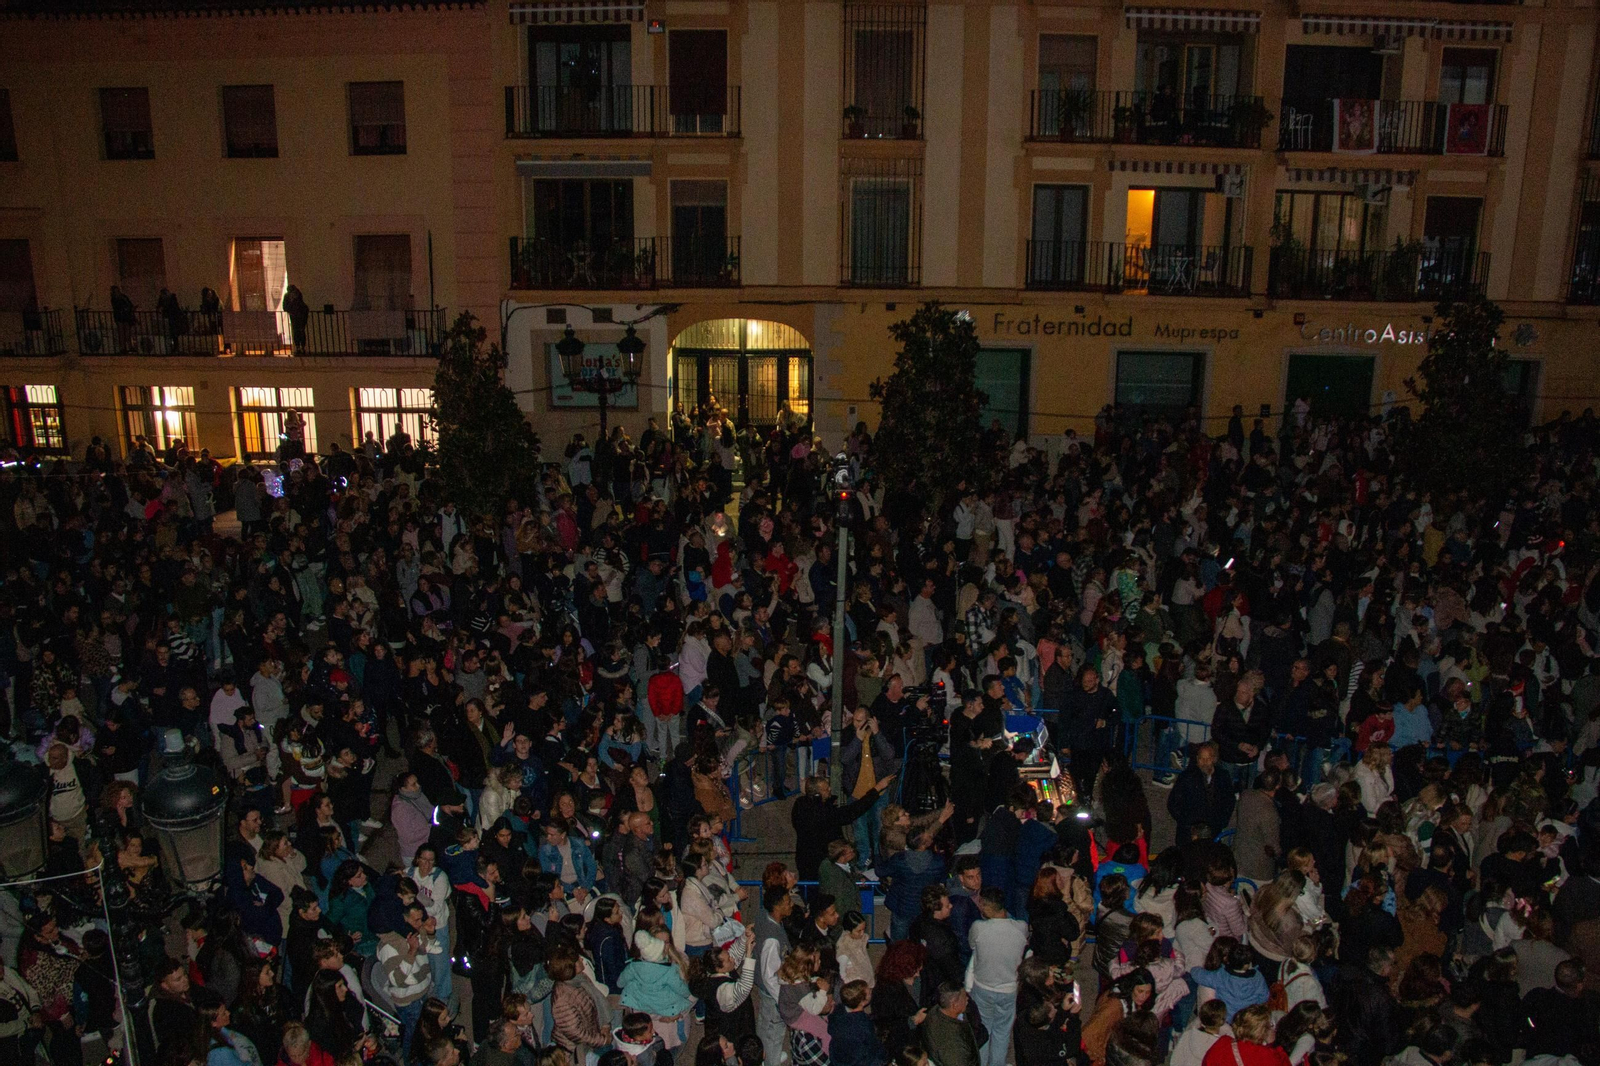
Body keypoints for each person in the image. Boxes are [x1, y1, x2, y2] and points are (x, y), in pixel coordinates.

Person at [967, 887, 1028, 1066]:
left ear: (986, 906)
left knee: (983, 1030)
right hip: (1009, 989)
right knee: (1002, 1033)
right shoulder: (1021, 928)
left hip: (983, 987)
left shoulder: (978, 928)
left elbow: (972, 946)